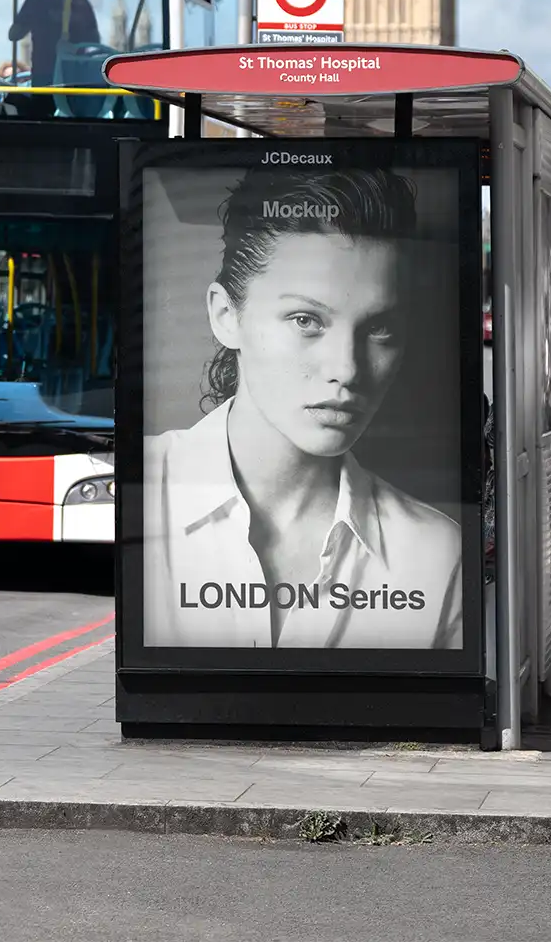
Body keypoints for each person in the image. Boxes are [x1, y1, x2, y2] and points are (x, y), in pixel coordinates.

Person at [143, 165, 463, 652]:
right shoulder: (139, 493)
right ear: (226, 316)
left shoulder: (436, 555)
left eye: (379, 329)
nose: (349, 369)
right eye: (306, 320)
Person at [8, 0, 100, 86]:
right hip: (70, 73)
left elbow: (14, 34)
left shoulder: (37, 0)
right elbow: (94, 39)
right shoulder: (79, 0)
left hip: (56, 72)